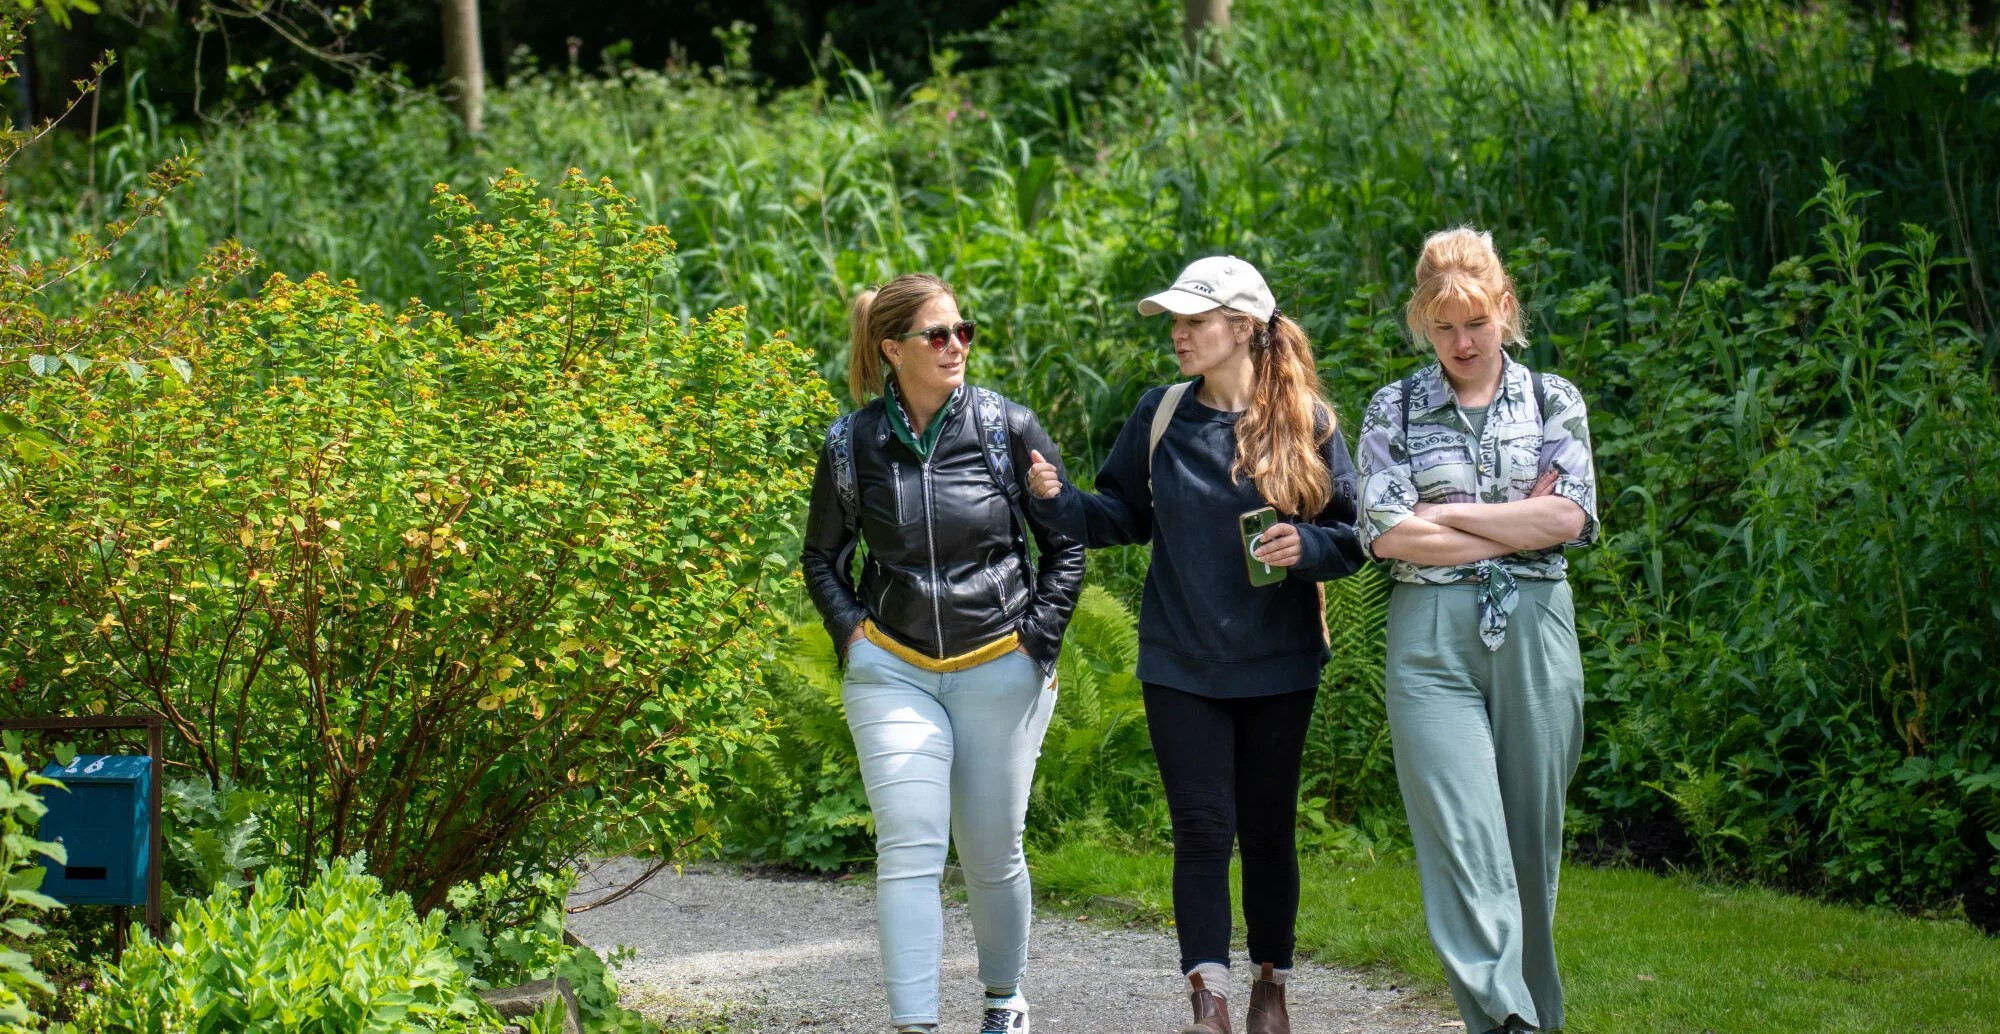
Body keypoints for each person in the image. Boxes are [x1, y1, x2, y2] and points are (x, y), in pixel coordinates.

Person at [1025, 256, 1366, 1034]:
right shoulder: (1161, 414)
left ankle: (1271, 988)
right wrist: (1057, 502)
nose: (1178, 334)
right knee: (1203, 831)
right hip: (1180, 662)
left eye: (1195, 321)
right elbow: (1121, 516)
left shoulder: (1309, 420)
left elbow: (1353, 537)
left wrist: (1306, 547)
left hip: (1279, 663)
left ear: (1242, 328)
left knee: (1269, 832)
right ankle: (1208, 1002)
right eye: (1175, 321)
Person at [800, 273, 1085, 1034]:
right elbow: (822, 557)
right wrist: (853, 635)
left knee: (991, 853)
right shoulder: (851, 443)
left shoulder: (1008, 427)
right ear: (892, 349)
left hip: (1002, 663)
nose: (955, 345)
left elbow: (1066, 543)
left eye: (964, 331)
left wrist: (1037, 640)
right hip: (893, 668)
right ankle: (914, 1024)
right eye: (937, 334)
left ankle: (1004, 998)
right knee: (909, 847)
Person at [1354, 228, 1599, 1034]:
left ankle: (1532, 1019)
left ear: (1505, 309)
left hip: (1536, 631)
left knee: (1529, 851)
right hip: (1430, 641)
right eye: (1444, 327)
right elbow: (1387, 534)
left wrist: (1449, 515)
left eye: (1477, 324)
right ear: (1422, 323)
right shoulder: (1391, 408)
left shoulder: (1554, 400)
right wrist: (1514, 521)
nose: (1462, 343)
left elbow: (1567, 518)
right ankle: (1507, 1014)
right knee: (1464, 838)